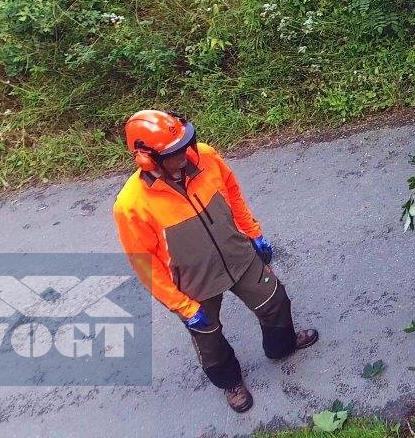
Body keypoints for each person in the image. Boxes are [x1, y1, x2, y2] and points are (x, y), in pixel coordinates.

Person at [113, 109, 318, 413]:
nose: (185, 155)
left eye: (186, 145)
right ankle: (229, 381)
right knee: (208, 337)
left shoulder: (205, 157)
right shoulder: (131, 205)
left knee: (275, 300)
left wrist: (254, 234)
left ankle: (282, 345)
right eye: (174, 153)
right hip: (194, 281)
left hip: (238, 254)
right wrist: (182, 306)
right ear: (146, 158)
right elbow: (146, 266)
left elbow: (233, 194)